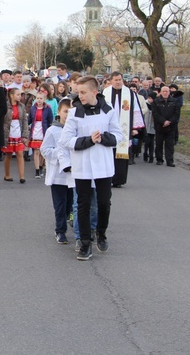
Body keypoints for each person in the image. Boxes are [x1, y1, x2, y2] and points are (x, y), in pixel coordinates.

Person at [59, 76, 122, 261]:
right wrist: (88, 141)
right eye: (79, 92)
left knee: (103, 203)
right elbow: (65, 140)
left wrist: (103, 138)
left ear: (95, 92)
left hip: (103, 164)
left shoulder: (108, 110)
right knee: (83, 204)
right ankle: (85, 243)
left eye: (84, 92)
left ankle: (101, 233)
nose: (81, 96)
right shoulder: (75, 112)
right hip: (83, 164)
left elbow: (118, 135)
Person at [101, 71, 145, 187]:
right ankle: (107, 178)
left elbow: (135, 110)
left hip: (123, 127)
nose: (118, 82)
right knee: (108, 153)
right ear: (111, 81)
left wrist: (135, 128)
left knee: (121, 154)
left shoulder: (129, 93)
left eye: (120, 80)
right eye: (116, 80)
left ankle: (119, 180)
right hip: (108, 127)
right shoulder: (105, 92)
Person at [41, 98, 74, 245]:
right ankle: (60, 231)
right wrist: (60, 154)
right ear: (59, 112)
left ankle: (69, 220)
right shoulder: (52, 130)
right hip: (58, 174)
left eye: (70, 111)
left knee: (70, 204)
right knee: (60, 204)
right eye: (65, 111)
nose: (67, 114)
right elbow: (44, 150)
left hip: (73, 173)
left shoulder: (75, 129)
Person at [2, 87, 29, 183]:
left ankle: (22, 176)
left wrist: (25, 134)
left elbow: (25, 121)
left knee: (20, 153)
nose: (20, 96)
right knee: (8, 154)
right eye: (17, 94)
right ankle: (7, 175)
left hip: (18, 131)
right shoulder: (5, 106)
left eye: (20, 94)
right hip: (8, 132)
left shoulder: (21, 106)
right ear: (11, 95)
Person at [152, 86, 180, 167]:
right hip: (159, 126)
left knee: (170, 145)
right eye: (163, 91)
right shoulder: (156, 101)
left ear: (169, 92)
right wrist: (163, 121)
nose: (165, 93)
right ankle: (159, 159)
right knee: (159, 144)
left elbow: (176, 114)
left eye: (167, 91)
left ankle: (170, 160)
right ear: (160, 92)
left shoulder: (174, 101)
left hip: (171, 127)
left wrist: (169, 121)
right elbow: (155, 113)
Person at [29, 91, 54, 179]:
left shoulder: (48, 108)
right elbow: (29, 120)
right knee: (36, 151)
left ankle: (40, 166)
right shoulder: (33, 108)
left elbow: (50, 120)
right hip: (35, 130)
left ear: (44, 99)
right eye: (38, 98)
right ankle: (37, 171)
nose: (39, 100)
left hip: (44, 131)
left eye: (41, 98)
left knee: (42, 151)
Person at [142, 91, 157, 163]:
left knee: (152, 142)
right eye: (150, 98)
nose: (151, 100)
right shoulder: (145, 104)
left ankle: (151, 156)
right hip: (145, 125)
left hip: (153, 125)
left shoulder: (155, 105)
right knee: (147, 141)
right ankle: (145, 153)